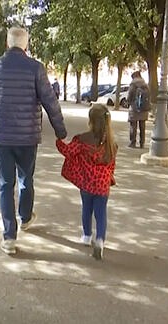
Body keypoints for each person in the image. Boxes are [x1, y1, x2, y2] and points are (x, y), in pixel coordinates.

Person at [0, 26, 67, 255]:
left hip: (1, 136)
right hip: (27, 136)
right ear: (25, 45)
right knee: (26, 178)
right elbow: (50, 100)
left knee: (5, 185)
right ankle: (25, 217)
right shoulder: (36, 68)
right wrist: (60, 130)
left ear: (8, 44)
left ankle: (9, 238)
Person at [56, 103, 117, 260]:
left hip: (87, 182)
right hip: (102, 184)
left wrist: (58, 140)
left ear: (90, 121)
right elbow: (112, 164)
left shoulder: (82, 140)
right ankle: (100, 241)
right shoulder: (111, 143)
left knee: (87, 209)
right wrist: (109, 177)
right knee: (101, 213)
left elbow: (68, 152)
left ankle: (87, 235)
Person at [126, 71, 150, 148]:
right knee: (142, 127)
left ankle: (133, 142)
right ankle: (142, 143)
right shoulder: (145, 85)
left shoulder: (133, 84)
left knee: (133, 126)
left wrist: (129, 102)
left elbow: (129, 95)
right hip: (144, 108)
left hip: (134, 108)